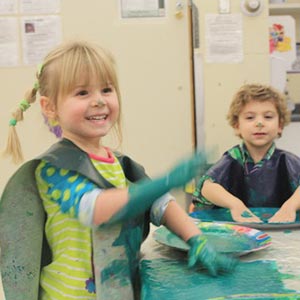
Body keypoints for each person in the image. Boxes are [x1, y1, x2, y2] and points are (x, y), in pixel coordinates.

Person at [1, 41, 236, 299]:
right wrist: (166, 180)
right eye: (82, 93)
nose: (99, 101)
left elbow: (160, 204)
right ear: (50, 107)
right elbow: (97, 209)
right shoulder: (52, 170)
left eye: (106, 89)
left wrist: (196, 239)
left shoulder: (119, 163)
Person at [192, 83, 300, 224]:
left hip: (283, 232)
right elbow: (206, 187)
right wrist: (235, 204)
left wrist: (290, 206)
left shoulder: (286, 160)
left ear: (280, 125)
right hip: (241, 233)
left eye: (268, 117)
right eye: (250, 118)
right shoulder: (233, 158)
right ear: (237, 126)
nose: (259, 123)